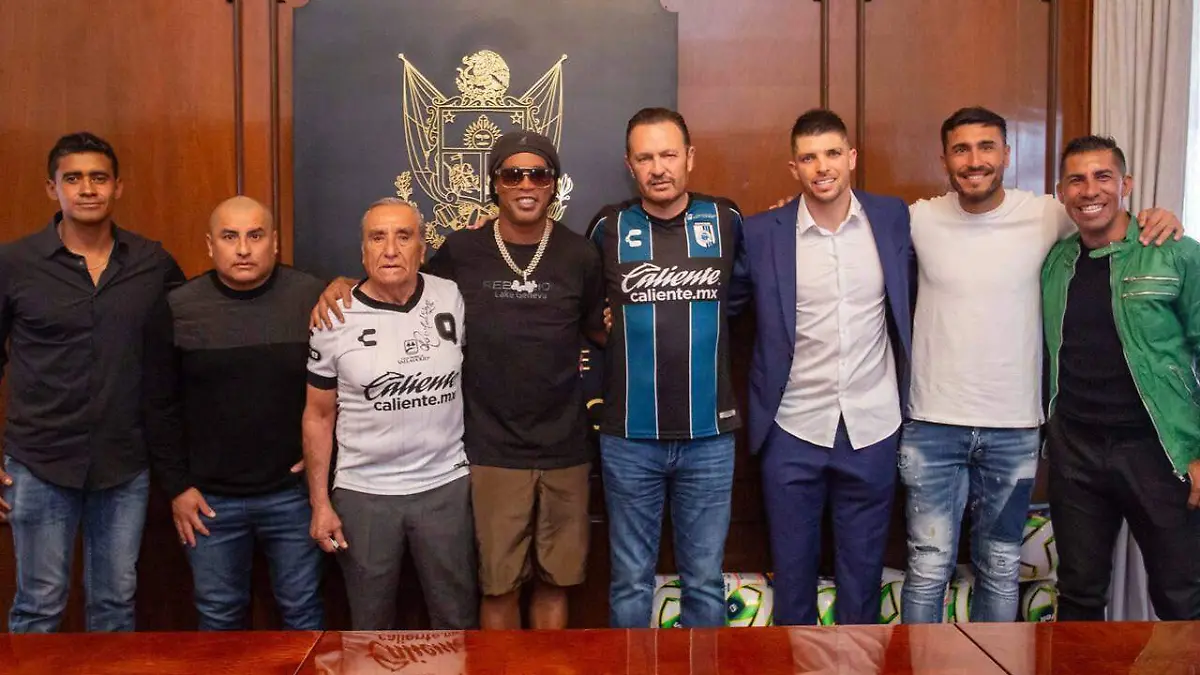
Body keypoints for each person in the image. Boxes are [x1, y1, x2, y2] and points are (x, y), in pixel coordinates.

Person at [310, 132, 606, 630]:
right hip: (490, 452)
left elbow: (600, 330)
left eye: (538, 174)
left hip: (566, 449)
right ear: (495, 184)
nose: (526, 183)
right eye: (513, 174)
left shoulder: (580, 254)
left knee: (556, 584)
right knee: (498, 586)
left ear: (554, 184)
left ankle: (543, 667)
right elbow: (396, 276)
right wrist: (338, 286)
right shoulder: (463, 251)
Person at [899, 107, 1182, 623]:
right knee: (928, 566)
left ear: (1007, 155)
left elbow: (1106, 214)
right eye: (961, 149)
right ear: (944, 160)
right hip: (933, 425)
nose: (975, 160)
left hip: (1016, 428)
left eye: (987, 146)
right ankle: (919, 661)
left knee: (1001, 565)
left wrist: (1157, 216)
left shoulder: (1048, 214)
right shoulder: (918, 218)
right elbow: (852, 224)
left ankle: (994, 661)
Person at [0, 132, 184, 632]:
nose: (87, 189)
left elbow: (202, 325)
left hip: (124, 464)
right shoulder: (14, 264)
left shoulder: (152, 263)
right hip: (38, 462)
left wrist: (333, 289)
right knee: (38, 605)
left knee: (115, 604)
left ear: (117, 187)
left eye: (98, 178)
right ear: (52, 188)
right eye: (73, 178)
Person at [738, 109, 912, 625]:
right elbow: (719, 305)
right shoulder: (763, 233)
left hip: (872, 426)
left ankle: (859, 660)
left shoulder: (892, 217)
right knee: (793, 583)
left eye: (833, 153)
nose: (822, 167)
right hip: (792, 427)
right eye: (809, 158)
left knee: (862, 581)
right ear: (793, 167)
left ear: (851, 157)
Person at [586, 107, 747, 628]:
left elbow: (749, 297)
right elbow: (583, 310)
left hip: (709, 438)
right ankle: (629, 666)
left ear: (690, 158)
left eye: (668, 155)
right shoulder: (607, 226)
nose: (658, 168)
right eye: (645, 158)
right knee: (630, 580)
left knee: (704, 580)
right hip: (629, 439)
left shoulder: (726, 219)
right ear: (629, 165)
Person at [1041, 135, 1200, 621]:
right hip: (1076, 451)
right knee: (1079, 594)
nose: (1090, 190)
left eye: (1103, 177)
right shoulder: (1055, 262)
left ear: (1125, 184)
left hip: (1159, 450)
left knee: (1182, 595)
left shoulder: (1175, 253)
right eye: (1077, 180)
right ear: (1061, 192)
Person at [303, 199, 477, 630]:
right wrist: (320, 503)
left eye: (404, 236)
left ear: (422, 247)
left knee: (456, 618)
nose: (391, 250)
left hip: (444, 485)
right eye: (377, 238)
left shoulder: (450, 296)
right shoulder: (333, 316)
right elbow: (318, 416)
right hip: (365, 493)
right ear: (363, 251)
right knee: (370, 623)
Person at [159, 196, 326, 630]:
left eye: (255, 236)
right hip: (209, 501)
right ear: (210, 245)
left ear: (275, 242)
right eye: (230, 237)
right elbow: (158, 405)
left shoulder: (312, 297)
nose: (244, 249)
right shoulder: (178, 306)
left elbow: (348, 386)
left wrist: (323, 461)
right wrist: (177, 487)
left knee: (303, 612)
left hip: (293, 495)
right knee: (218, 616)